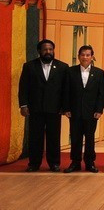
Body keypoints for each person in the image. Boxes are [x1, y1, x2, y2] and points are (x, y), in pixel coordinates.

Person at [18, 39, 68, 172]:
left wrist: (64, 107)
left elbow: (66, 89)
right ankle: (34, 164)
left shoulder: (63, 67)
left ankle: (54, 163)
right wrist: (23, 105)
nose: (48, 52)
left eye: (50, 49)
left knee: (54, 137)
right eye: (45, 49)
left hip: (55, 109)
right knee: (35, 137)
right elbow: (23, 87)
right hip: (35, 108)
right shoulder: (29, 66)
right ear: (39, 51)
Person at [62, 45, 104, 173]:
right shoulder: (70, 71)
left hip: (92, 112)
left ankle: (90, 163)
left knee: (90, 138)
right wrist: (66, 108)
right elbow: (66, 91)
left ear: (92, 57)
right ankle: (75, 163)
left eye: (88, 55)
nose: (85, 57)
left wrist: (99, 110)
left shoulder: (99, 73)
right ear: (79, 56)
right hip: (74, 111)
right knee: (75, 138)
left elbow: (101, 93)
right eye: (83, 55)